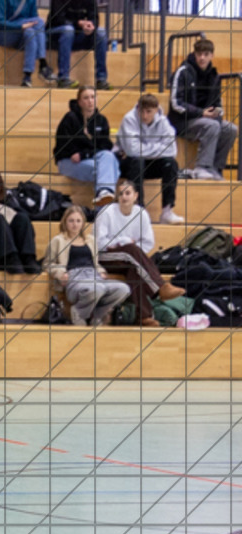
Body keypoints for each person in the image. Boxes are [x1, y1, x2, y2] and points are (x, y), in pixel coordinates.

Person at [94, 178, 186, 326]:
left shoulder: (141, 213)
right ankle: (160, 287)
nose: (124, 197)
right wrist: (123, 242)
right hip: (105, 257)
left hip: (129, 258)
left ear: (136, 195)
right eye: (121, 193)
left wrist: (130, 247)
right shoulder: (107, 212)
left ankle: (143, 316)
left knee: (134, 267)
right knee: (131, 251)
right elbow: (99, 243)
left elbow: (148, 243)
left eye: (128, 193)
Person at [44, 205, 129, 326]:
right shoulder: (58, 240)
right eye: (71, 221)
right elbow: (48, 264)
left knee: (123, 289)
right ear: (65, 222)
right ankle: (79, 312)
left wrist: (101, 270)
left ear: (83, 223)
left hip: (93, 275)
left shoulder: (91, 240)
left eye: (78, 221)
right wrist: (60, 273)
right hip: (74, 276)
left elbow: (95, 263)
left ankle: (98, 314)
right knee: (96, 289)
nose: (75, 224)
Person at [169, 38, 238, 181]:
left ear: (212, 55)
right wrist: (201, 113)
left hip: (204, 120)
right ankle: (202, 167)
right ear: (194, 54)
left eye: (206, 54)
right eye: (199, 54)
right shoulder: (183, 71)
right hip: (182, 121)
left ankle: (215, 168)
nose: (202, 58)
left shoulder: (214, 76)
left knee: (231, 129)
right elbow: (176, 102)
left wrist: (217, 115)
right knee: (211, 126)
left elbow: (218, 104)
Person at [117, 93, 184, 225]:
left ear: (156, 110)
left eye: (149, 112)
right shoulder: (129, 119)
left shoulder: (164, 122)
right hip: (128, 164)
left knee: (170, 164)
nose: (144, 116)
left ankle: (167, 211)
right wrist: (159, 148)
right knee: (137, 161)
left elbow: (171, 151)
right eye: (141, 111)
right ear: (137, 108)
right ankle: (139, 210)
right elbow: (132, 151)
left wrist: (145, 149)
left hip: (148, 164)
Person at [54, 85, 118, 208]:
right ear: (79, 102)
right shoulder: (70, 118)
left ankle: (102, 199)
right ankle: (104, 208)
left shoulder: (101, 120)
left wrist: (85, 154)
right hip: (68, 161)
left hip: (90, 160)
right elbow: (64, 146)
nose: (90, 101)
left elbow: (105, 146)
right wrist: (84, 152)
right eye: (86, 98)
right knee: (109, 168)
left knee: (108, 160)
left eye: (93, 97)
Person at [46, 0, 109, 90]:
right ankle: (63, 78)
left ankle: (101, 79)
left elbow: (94, 18)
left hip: (77, 34)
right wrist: (79, 23)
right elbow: (58, 19)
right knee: (68, 30)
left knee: (101, 32)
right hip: (55, 34)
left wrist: (91, 26)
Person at [0, 0, 55, 88]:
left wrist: (25, 27)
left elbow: (33, 23)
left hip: (22, 34)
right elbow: (0, 22)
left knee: (30, 32)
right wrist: (20, 26)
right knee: (39, 22)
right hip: (5, 34)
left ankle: (27, 76)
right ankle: (43, 63)